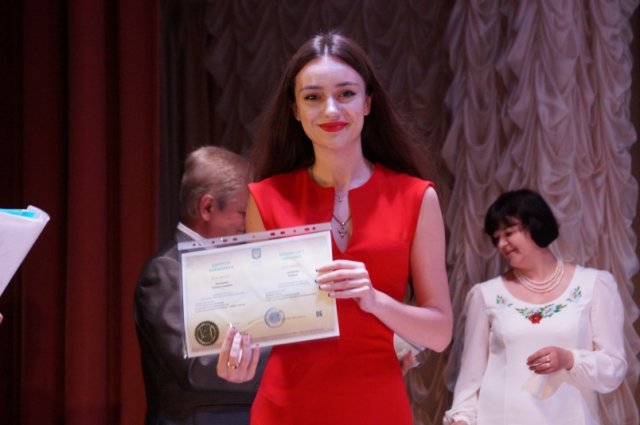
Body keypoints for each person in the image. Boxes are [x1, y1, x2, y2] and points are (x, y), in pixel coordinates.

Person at [214, 31, 453, 425]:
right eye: (312, 97)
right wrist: (238, 358)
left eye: (346, 94)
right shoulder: (266, 199)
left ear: (368, 102)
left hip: (378, 407)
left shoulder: (416, 197)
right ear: (294, 109)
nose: (330, 109)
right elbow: (256, 321)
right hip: (286, 408)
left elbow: (440, 333)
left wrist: (375, 301)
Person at [443, 188, 628, 425]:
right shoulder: (486, 295)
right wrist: (462, 419)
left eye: (509, 233)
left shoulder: (593, 285)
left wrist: (569, 359)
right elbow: (470, 378)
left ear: (535, 225)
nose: (502, 244)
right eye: (496, 238)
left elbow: (613, 368)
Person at [134, 146, 268, 425]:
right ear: (207, 207)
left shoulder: (241, 264)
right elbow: (197, 364)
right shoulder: (166, 271)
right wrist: (288, 358)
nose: (251, 224)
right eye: (243, 212)